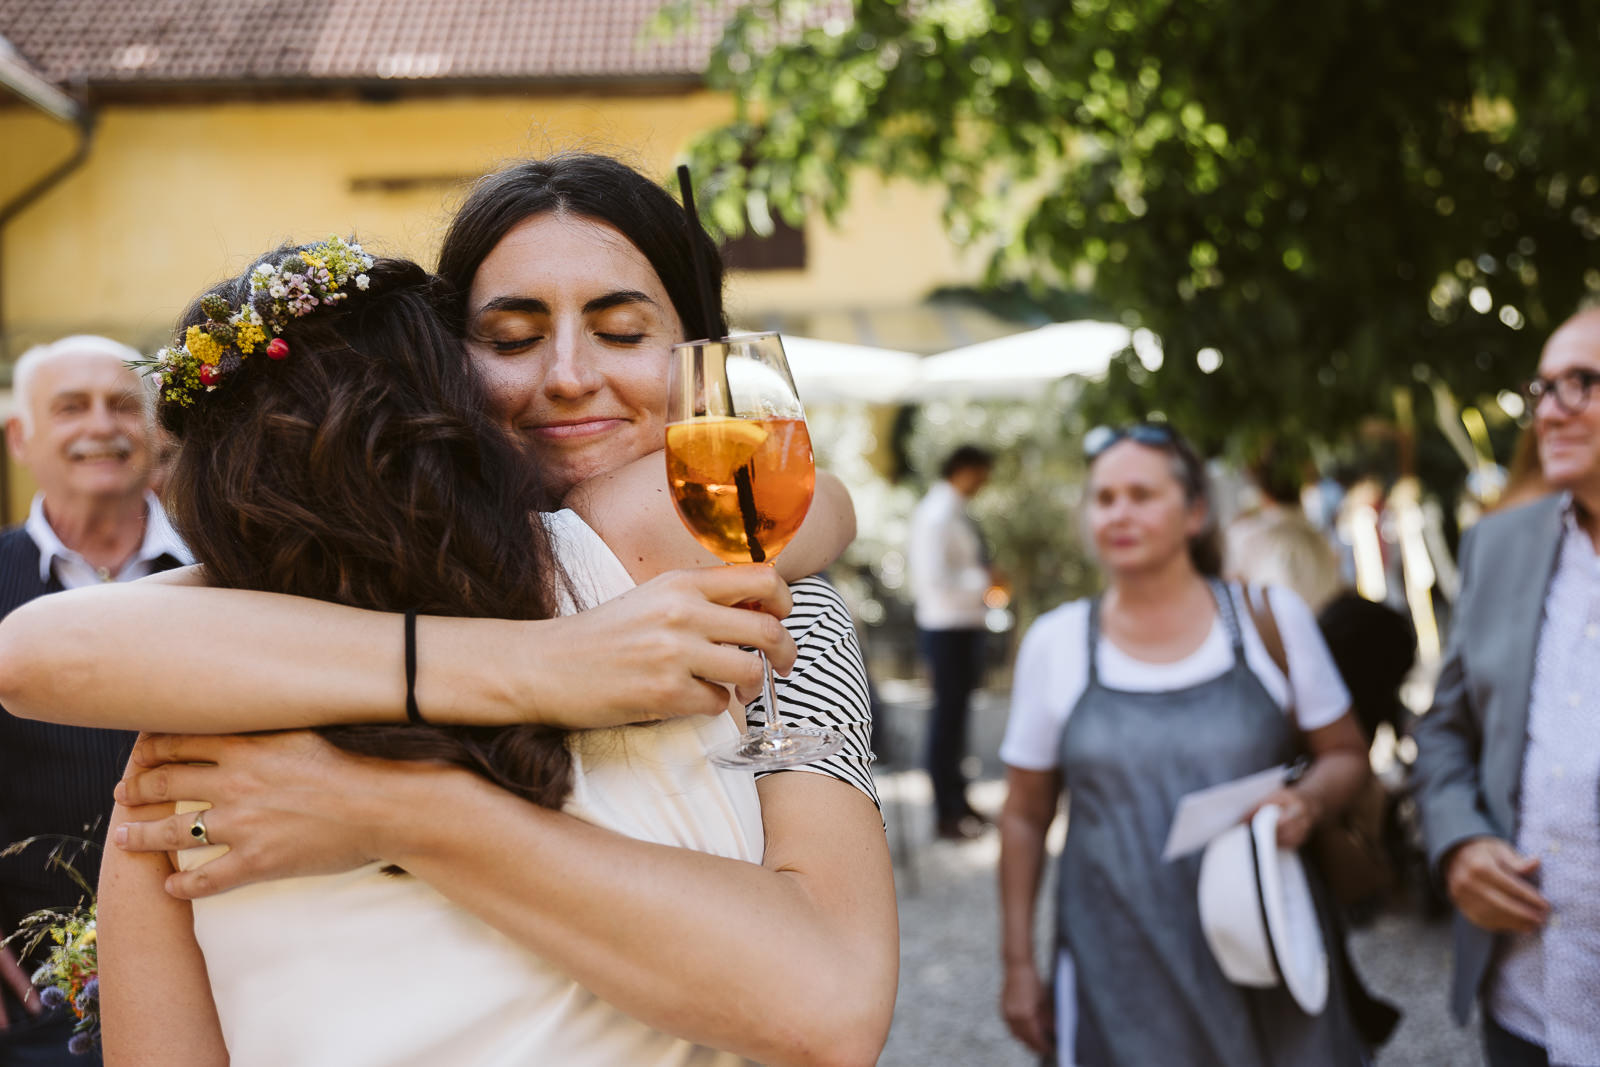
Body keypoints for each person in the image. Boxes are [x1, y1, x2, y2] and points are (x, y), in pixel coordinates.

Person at [0, 154, 896, 1065]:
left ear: (700, 357)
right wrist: (553, 661)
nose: (568, 377)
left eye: (624, 332)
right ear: (443, 377)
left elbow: (830, 1008)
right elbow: (40, 649)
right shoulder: (215, 677)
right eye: (509, 340)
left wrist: (381, 804)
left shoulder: (774, 606)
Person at [997, 422, 1372, 1066]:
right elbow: (1025, 815)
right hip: (1116, 964)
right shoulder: (1055, 644)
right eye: (1104, 498)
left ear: (1195, 512)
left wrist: (1305, 803)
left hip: (1266, 948)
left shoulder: (1270, 619)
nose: (1119, 513)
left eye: (1142, 495)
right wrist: (1018, 964)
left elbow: (1348, 756)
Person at [1411, 307, 1600, 1067]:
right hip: (1526, 1002)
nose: (1550, 411)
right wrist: (1459, 843)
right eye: (1543, 388)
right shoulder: (1499, 544)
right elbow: (1444, 731)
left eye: (1581, 383)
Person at [0, 335, 190, 1066]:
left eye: (122, 405)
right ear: (22, 436)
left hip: (223, 961)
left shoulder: (232, 565)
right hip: (41, 1002)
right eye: (71, 407)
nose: (102, 426)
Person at [908, 443, 997, 839]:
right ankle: (946, 811)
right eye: (981, 472)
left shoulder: (953, 510)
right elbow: (932, 578)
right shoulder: (937, 514)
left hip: (963, 624)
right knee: (946, 720)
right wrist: (987, 581)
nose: (984, 482)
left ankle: (959, 800)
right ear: (964, 468)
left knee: (957, 718)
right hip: (947, 627)